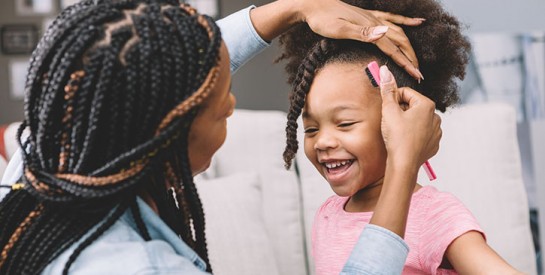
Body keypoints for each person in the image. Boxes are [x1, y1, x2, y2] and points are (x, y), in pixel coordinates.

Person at [0, 0, 436, 274]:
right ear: (170, 134)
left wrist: (294, 9)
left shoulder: (44, 160)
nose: (231, 104)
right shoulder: (138, 266)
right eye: (221, 106)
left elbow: (164, 65)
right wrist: (402, 164)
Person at [278, 0, 524, 274]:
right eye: (311, 129)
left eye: (345, 123)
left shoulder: (432, 214)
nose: (323, 141)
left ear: (400, 117)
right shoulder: (328, 213)